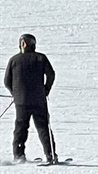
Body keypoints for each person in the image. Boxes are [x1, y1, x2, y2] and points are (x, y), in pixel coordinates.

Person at [4, 34, 57, 165]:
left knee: (21, 128)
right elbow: (51, 74)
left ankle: (18, 155)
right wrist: (46, 90)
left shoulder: (14, 60)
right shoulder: (40, 58)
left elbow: (6, 81)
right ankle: (50, 155)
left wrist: (15, 93)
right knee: (43, 127)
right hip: (39, 99)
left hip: (21, 101)